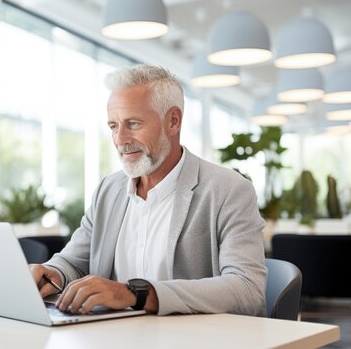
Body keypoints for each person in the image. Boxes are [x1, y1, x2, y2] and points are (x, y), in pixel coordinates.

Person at [30, 64, 267, 316]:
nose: (120, 139)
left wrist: (137, 294)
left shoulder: (229, 190)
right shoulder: (108, 190)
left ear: (173, 121)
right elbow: (74, 261)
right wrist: (50, 273)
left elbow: (247, 289)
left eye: (133, 124)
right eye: (113, 126)